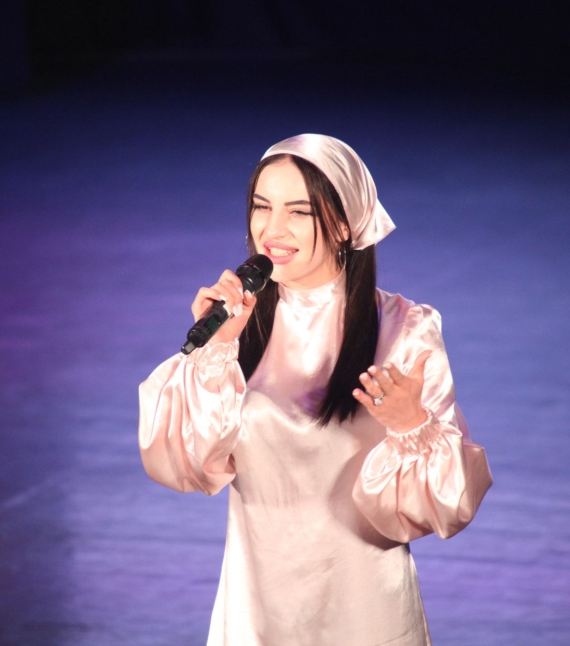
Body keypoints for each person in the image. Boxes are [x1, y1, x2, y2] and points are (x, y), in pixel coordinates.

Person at [138, 134, 492, 645]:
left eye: (298, 211)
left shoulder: (404, 329)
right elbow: (181, 463)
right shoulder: (238, 324)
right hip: (257, 607)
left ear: (345, 224)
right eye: (262, 206)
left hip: (365, 610)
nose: (272, 229)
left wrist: (411, 425)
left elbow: (446, 505)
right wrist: (215, 352)